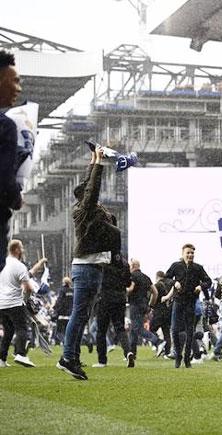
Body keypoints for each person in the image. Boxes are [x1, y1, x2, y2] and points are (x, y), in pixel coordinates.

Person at [58, 146, 120, 381]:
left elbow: (87, 184)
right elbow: (91, 187)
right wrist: (99, 165)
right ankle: (67, 357)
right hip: (87, 267)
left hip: (90, 267)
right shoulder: (86, 208)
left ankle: (71, 358)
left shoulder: (85, 210)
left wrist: (94, 159)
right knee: (79, 315)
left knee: (82, 316)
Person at [162, 243, 212, 368]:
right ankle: (178, 355)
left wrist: (201, 286)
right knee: (174, 329)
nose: (190, 255)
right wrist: (175, 282)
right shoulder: (176, 266)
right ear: (183, 253)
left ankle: (187, 358)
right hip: (178, 301)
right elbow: (166, 278)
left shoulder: (198, 268)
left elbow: (208, 281)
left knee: (190, 331)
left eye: (192, 253)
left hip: (191, 302)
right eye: (188, 253)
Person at [0, 239, 45, 368]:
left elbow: (28, 274)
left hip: (1, 304)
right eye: (22, 248)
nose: (23, 250)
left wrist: (40, 263)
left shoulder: (3, 263)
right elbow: (28, 288)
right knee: (22, 329)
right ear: (17, 250)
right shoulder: (19, 265)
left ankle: (2, 359)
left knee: (8, 331)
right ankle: (20, 354)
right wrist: (26, 300)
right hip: (15, 303)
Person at [0, 50, 23, 273]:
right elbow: (5, 182)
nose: (19, 87)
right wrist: (16, 196)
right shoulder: (6, 126)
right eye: (15, 80)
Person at [93, 253, 132, 368]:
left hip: (105, 297)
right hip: (120, 298)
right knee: (120, 328)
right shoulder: (125, 264)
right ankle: (128, 352)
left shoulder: (103, 263)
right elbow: (128, 283)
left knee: (101, 330)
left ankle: (102, 360)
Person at [127, 258, 160, 362]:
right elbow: (155, 292)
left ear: (132, 266)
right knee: (133, 330)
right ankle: (132, 353)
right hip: (144, 305)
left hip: (135, 304)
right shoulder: (146, 277)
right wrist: (151, 305)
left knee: (137, 329)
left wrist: (121, 291)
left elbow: (131, 289)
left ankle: (158, 341)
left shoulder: (133, 276)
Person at [150, 271, 173, 357]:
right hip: (167, 311)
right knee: (166, 331)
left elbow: (153, 295)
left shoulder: (157, 285)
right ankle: (167, 352)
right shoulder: (169, 284)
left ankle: (159, 343)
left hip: (159, 311)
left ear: (157, 276)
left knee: (151, 329)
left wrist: (151, 306)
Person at [52, 277, 74, 345]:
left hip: (62, 315)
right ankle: (87, 342)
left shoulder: (62, 290)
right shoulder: (72, 291)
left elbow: (59, 302)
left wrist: (55, 310)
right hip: (70, 315)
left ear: (63, 282)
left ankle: (65, 341)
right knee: (68, 332)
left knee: (58, 333)